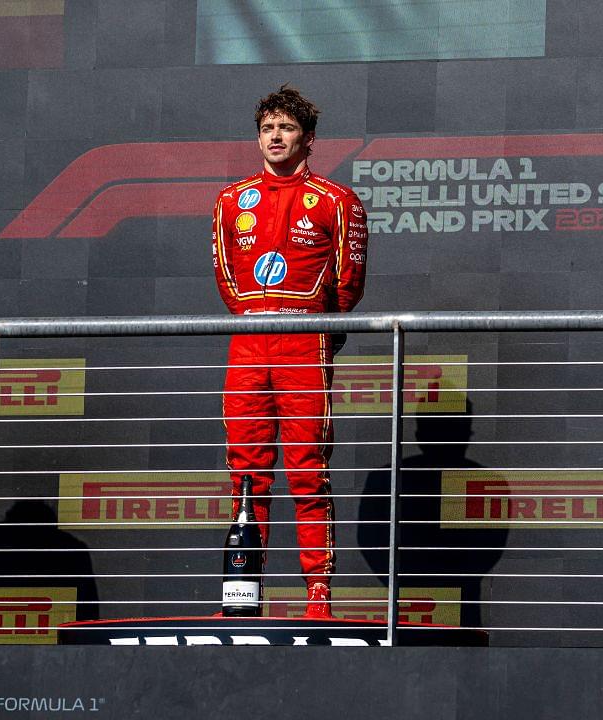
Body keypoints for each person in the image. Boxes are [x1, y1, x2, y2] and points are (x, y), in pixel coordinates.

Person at [212, 85, 368, 618]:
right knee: (246, 467)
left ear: (308, 139)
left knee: (307, 466)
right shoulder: (231, 200)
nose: (275, 137)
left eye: (286, 128)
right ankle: (241, 597)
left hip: (306, 339)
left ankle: (318, 599)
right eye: (267, 128)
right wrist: (260, 317)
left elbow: (349, 283)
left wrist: (316, 326)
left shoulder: (335, 200)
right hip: (249, 341)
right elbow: (227, 280)